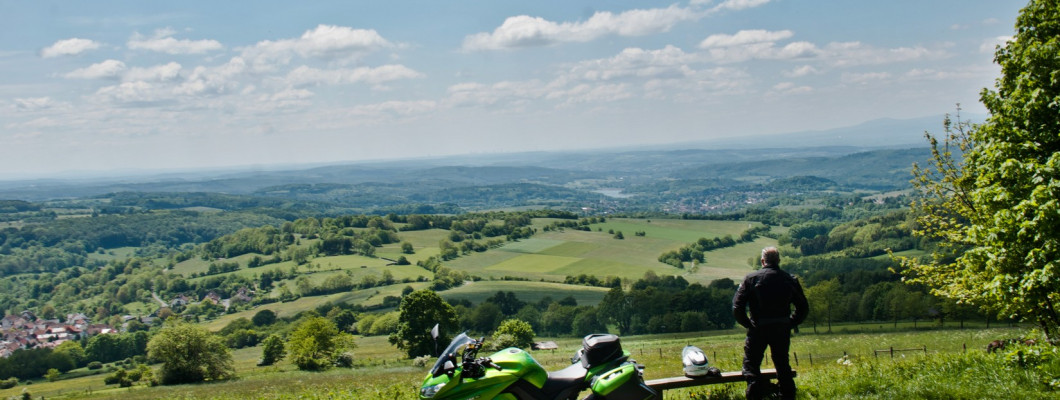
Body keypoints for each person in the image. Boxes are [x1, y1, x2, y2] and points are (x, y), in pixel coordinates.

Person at [732, 246, 808, 400]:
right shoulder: (789, 279)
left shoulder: (751, 279)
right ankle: (787, 396)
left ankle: (755, 396)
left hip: (758, 328)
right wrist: (790, 323)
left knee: (751, 366)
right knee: (782, 365)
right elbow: (803, 307)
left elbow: (737, 307)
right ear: (778, 260)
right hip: (781, 328)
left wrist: (748, 324)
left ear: (762, 261)